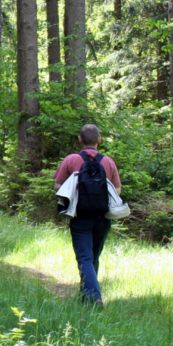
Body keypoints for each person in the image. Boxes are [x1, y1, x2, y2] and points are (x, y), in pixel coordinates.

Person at [54, 124, 122, 306]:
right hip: (103, 216)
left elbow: (58, 187)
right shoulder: (108, 162)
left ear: (79, 139)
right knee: (93, 257)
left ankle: (93, 297)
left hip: (80, 216)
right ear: (99, 140)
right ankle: (87, 296)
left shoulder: (71, 160)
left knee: (84, 258)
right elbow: (117, 190)